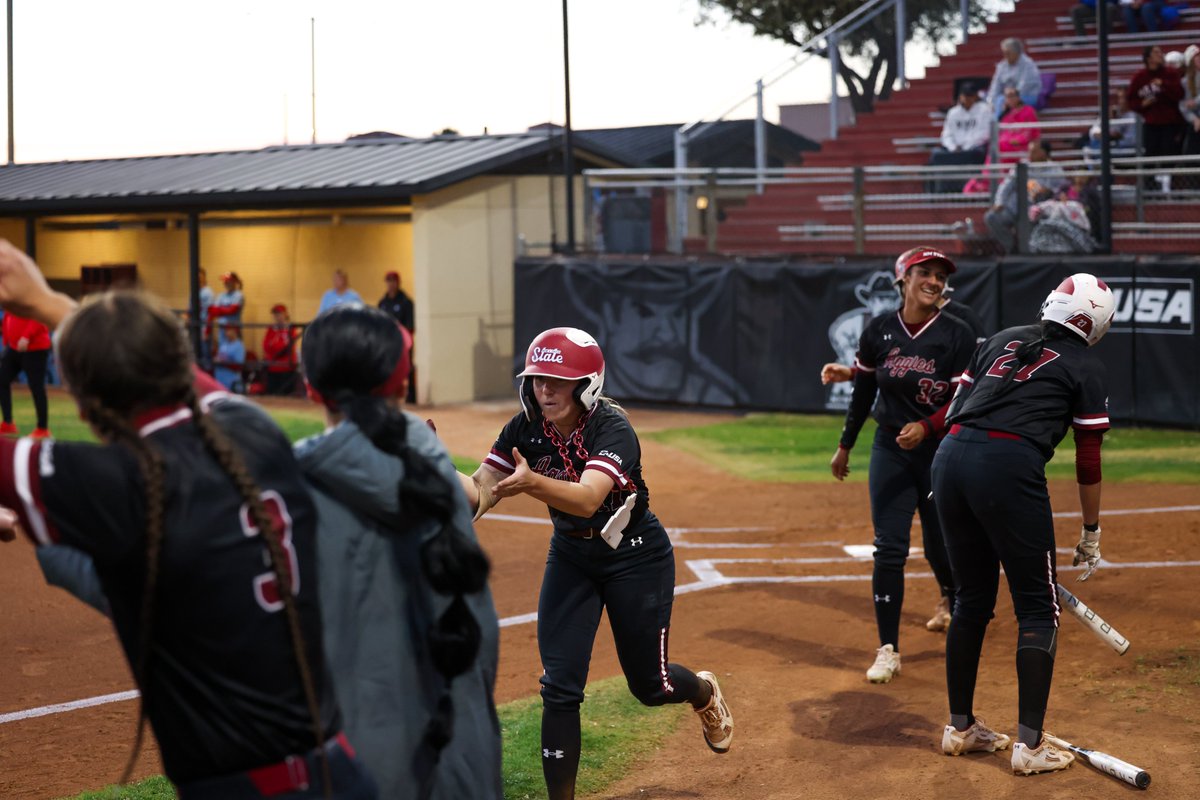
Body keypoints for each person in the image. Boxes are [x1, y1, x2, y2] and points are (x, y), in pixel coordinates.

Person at [0, 239, 377, 798]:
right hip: (340, 775)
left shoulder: (117, 482)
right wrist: (53, 304)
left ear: (81, 402)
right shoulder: (255, 432)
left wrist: (45, 303)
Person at [458, 327, 734, 800]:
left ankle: (704, 693)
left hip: (636, 557)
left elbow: (587, 499)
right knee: (560, 688)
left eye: (558, 381)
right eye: (538, 379)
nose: (545, 390)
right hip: (571, 556)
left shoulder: (612, 428)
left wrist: (530, 484)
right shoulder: (523, 429)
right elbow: (480, 494)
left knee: (651, 685)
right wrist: (434, 470)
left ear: (587, 384)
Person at [296, 304, 502, 799]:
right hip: (468, 765)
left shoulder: (292, 493)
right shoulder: (433, 474)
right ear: (403, 386)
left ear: (310, 388)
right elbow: (474, 491)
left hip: (363, 770)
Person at [933, 273, 1115, 776]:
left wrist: (958, 472)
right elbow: (1088, 459)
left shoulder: (999, 339)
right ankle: (1030, 747)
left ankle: (961, 728)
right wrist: (1091, 531)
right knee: (1038, 607)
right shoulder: (1086, 365)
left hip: (949, 458)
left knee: (971, 599)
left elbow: (956, 410)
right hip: (1007, 466)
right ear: (1095, 322)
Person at [821, 249, 977, 683]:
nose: (934, 280)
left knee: (937, 545)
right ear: (902, 280)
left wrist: (927, 427)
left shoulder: (958, 333)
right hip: (889, 449)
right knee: (889, 547)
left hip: (938, 451)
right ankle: (888, 649)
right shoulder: (879, 331)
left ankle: (951, 596)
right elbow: (864, 392)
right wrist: (845, 445)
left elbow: (964, 400)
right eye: (924, 273)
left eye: (940, 275)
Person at [984, 140, 1070, 254]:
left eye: (1034, 152)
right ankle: (1012, 249)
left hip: (1037, 211)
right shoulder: (1021, 166)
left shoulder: (1055, 169)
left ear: (1044, 153)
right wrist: (999, 202)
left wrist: (1050, 191)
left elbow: (1062, 191)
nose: (1030, 155)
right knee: (992, 217)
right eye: (1029, 151)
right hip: (1014, 207)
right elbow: (1006, 186)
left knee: (1031, 229)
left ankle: (1031, 253)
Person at [1128, 44, 1186, 189]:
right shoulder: (1139, 77)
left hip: (1170, 122)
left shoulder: (1170, 73)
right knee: (1150, 154)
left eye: (1160, 52)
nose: (1160, 55)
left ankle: (1168, 186)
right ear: (1148, 58)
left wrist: (1163, 85)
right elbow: (1131, 101)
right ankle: (1149, 186)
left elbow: (1179, 94)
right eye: (1156, 52)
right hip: (1151, 122)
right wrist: (1143, 104)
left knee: (1169, 153)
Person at [928, 83, 992, 193]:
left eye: (970, 96)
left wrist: (967, 146)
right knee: (936, 155)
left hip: (974, 148)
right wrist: (953, 147)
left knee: (976, 153)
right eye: (965, 96)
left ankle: (972, 188)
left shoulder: (984, 110)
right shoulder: (953, 113)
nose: (967, 99)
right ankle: (941, 190)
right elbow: (946, 134)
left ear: (975, 96)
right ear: (960, 97)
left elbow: (985, 133)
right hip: (955, 149)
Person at [0, 310, 52, 438]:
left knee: (36, 387)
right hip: (14, 348)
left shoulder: (30, 295)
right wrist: (7, 338)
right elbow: (9, 315)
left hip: (35, 348)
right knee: (1, 380)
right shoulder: (12, 297)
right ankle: (8, 423)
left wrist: (26, 336)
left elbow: (39, 316)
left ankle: (42, 428)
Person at [378, 271, 416, 403]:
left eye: (393, 281)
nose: (390, 284)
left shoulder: (406, 302)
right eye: (388, 281)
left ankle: (411, 396)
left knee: (407, 368)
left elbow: (410, 325)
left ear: (398, 283)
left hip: (403, 341)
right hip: (386, 342)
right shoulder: (383, 303)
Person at [986, 38, 1042, 120]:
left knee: (1001, 100)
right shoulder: (1002, 66)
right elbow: (995, 86)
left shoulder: (1028, 64)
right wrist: (990, 101)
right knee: (989, 101)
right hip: (1006, 96)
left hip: (1027, 95)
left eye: (1008, 53)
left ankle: (996, 127)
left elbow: (1024, 86)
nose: (1005, 56)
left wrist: (1010, 98)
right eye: (1004, 53)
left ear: (1017, 53)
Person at [261, 303, 299, 396]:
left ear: (285, 314)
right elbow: (265, 346)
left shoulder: (291, 328)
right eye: (275, 314)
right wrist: (275, 348)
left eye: (279, 314)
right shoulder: (271, 329)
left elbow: (286, 348)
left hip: (286, 369)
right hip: (272, 368)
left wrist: (274, 347)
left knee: (286, 397)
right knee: (271, 396)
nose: (277, 317)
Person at [1180, 44, 1200, 159]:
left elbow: (1191, 103)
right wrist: (1195, 120)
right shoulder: (1185, 82)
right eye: (1197, 56)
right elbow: (1183, 106)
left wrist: (1196, 102)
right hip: (1195, 124)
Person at [214, 324, 246, 392]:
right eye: (226, 330)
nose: (226, 333)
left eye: (228, 330)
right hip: (220, 381)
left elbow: (238, 366)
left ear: (235, 331)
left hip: (231, 383)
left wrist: (225, 361)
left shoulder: (239, 346)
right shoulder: (224, 344)